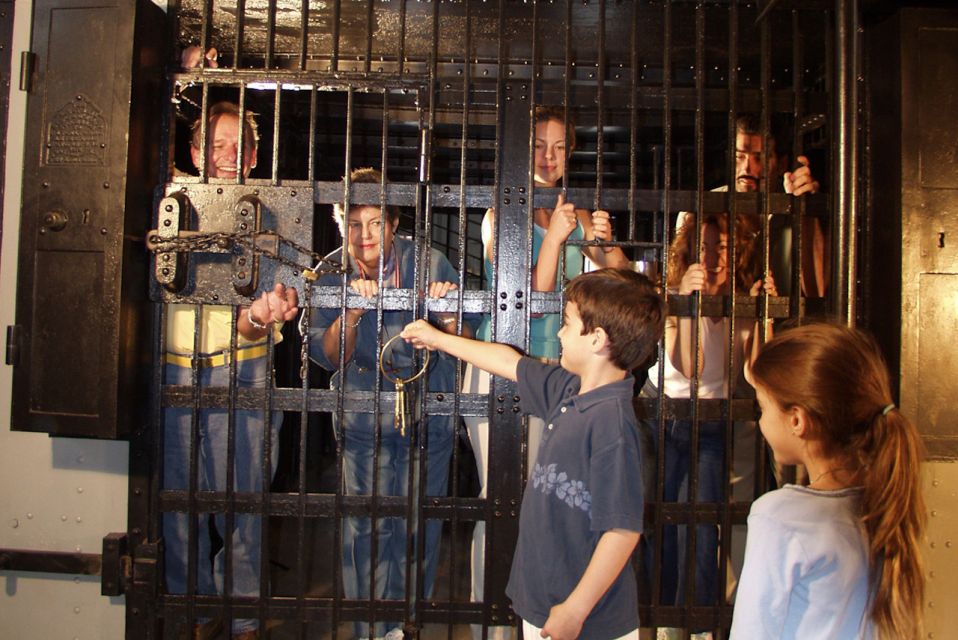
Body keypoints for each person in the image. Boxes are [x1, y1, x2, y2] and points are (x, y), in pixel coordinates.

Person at [403, 268, 666, 640]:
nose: (559, 332)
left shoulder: (612, 425)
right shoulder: (568, 389)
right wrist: (439, 339)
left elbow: (621, 532)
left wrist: (576, 608)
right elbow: (507, 361)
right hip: (546, 601)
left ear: (597, 340)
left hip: (588, 620)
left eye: (568, 324)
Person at [464, 106, 630, 639]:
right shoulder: (501, 209)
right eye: (539, 143)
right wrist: (557, 239)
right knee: (502, 498)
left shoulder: (576, 213)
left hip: (561, 377)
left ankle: (542, 617)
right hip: (505, 367)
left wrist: (603, 247)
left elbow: (622, 282)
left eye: (560, 146)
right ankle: (492, 620)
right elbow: (524, 302)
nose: (549, 156)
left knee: (546, 502)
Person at [309, 167, 474, 640]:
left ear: (394, 222)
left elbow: (467, 334)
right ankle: (369, 631)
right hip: (363, 410)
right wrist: (351, 314)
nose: (364, 235)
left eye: (375, 222)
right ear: (339, 221)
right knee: (366, 529)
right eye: (353, 222)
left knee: (418, 523)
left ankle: (407, 627)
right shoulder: (329, 271)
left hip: (429, 409)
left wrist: (447, 317)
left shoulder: (429, 263)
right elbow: (324, 355)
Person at [163, 102, 300, 640]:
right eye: (215, 145)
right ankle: (195, 615)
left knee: (244, 505)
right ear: (194, 153)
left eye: (237, 145)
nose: (226, 157)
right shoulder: (170, 205)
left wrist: (258, 318)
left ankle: (243, 621)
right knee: (178, 509)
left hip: (241, 370)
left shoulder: (271, 215)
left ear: (255, 154)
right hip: (173, 374)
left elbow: (268, 314)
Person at [732, 323, 926, 639]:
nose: (761, 420)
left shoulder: (779, 515)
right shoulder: (886, 499)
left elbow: (753, 631)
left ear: (797, 420)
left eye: (763, 407)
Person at [642, 212, 774, 618]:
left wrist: (766, 314)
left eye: (723, 246)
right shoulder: (672, 293)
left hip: (713, 421)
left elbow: (757, 373)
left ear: (737, 253)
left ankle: (696, 623)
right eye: (705, 246)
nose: (714, 256)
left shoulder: (742, 300)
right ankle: (662, 616)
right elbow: (688, 365)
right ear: (689, 251)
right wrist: (686, 305)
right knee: (658, 520)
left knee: (699, 523)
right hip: (662, 414)